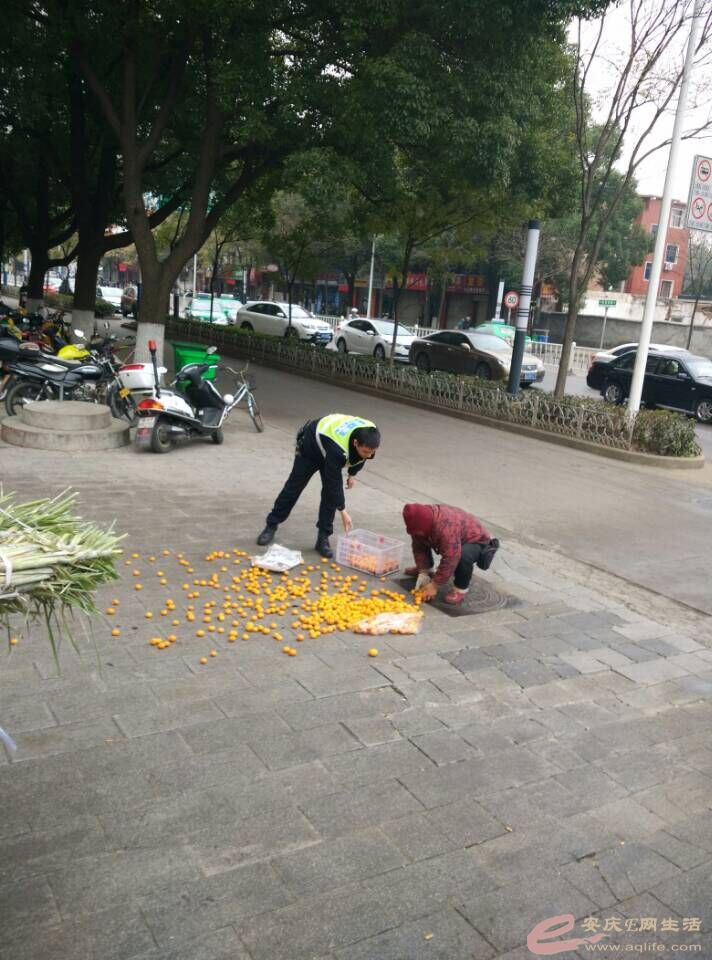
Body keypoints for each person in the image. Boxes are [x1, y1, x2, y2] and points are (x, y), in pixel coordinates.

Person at [257, 414, 381, 558]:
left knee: (329, 496)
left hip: (331, 446)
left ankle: (323, 539)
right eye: (366, 451)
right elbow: (333, 483)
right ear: (355, 443)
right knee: (294, 487)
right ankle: (271, 525)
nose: (369, 455)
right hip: (312, 445)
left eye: (372, 452)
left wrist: (352, 474)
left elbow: (361, 458)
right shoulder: (338, 449)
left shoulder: (370, 435)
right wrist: (343, 510)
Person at [402, 503, 499, 605]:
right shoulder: (419, 523)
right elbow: (419, 546)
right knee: (421, 539)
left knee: (462, 555)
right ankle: (428, 570)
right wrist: (424, 571)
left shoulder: (446, 527)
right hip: (456, 539)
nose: (417, 534)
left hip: (477, 541)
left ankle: (461, 588)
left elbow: (451, 558)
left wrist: (434, 585)